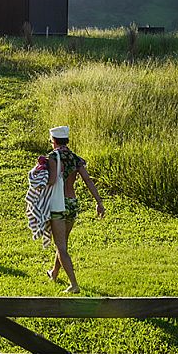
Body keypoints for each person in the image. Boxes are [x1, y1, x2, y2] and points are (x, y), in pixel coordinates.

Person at [39, 125, 104, 294]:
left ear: (54, 141)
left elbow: (52, 181)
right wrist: (99, 202)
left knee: (60, 246)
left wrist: (38, 182)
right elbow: (88, 181)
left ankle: (74, 284)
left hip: (58, 204)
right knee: (63, 244)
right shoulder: (75, 158)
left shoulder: (53, 157)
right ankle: (54, 273)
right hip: (72, 202)